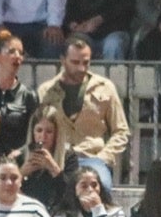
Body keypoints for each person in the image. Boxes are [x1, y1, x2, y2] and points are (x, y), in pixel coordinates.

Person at [37, 36, 131, 194]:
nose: (81, 68)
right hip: (58, 158)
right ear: (62, 60)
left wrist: (104, 157)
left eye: (86, 62)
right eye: (75, 62)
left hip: (92, 158)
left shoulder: (105, 87)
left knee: (102, 190)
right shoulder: (46, 91)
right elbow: (38, 128)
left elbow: (121, 130)